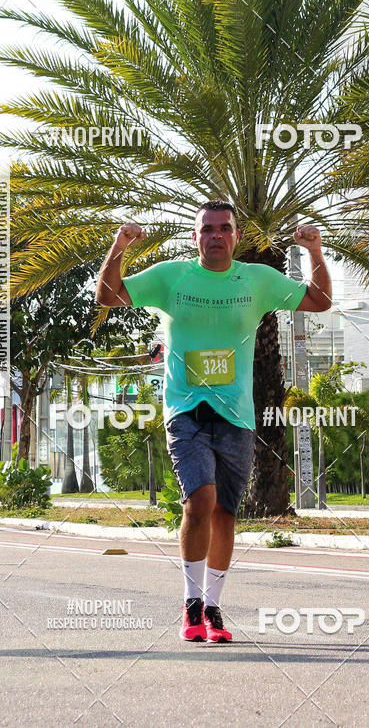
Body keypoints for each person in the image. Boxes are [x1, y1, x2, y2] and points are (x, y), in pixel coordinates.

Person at [95, 201, 332, 643]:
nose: (216, 236)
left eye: (225, 229)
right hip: (185, 410)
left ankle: (214, 608)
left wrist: (315, 251)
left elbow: (319, 301)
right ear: (195, 237)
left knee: (225, 512)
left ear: (237, 237)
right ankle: (190, 603)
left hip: (237, 415)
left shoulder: (256, 280)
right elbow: (107, 296)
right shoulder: (172, 277)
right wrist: (119, 245)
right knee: (199, 500)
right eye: (208, 229)